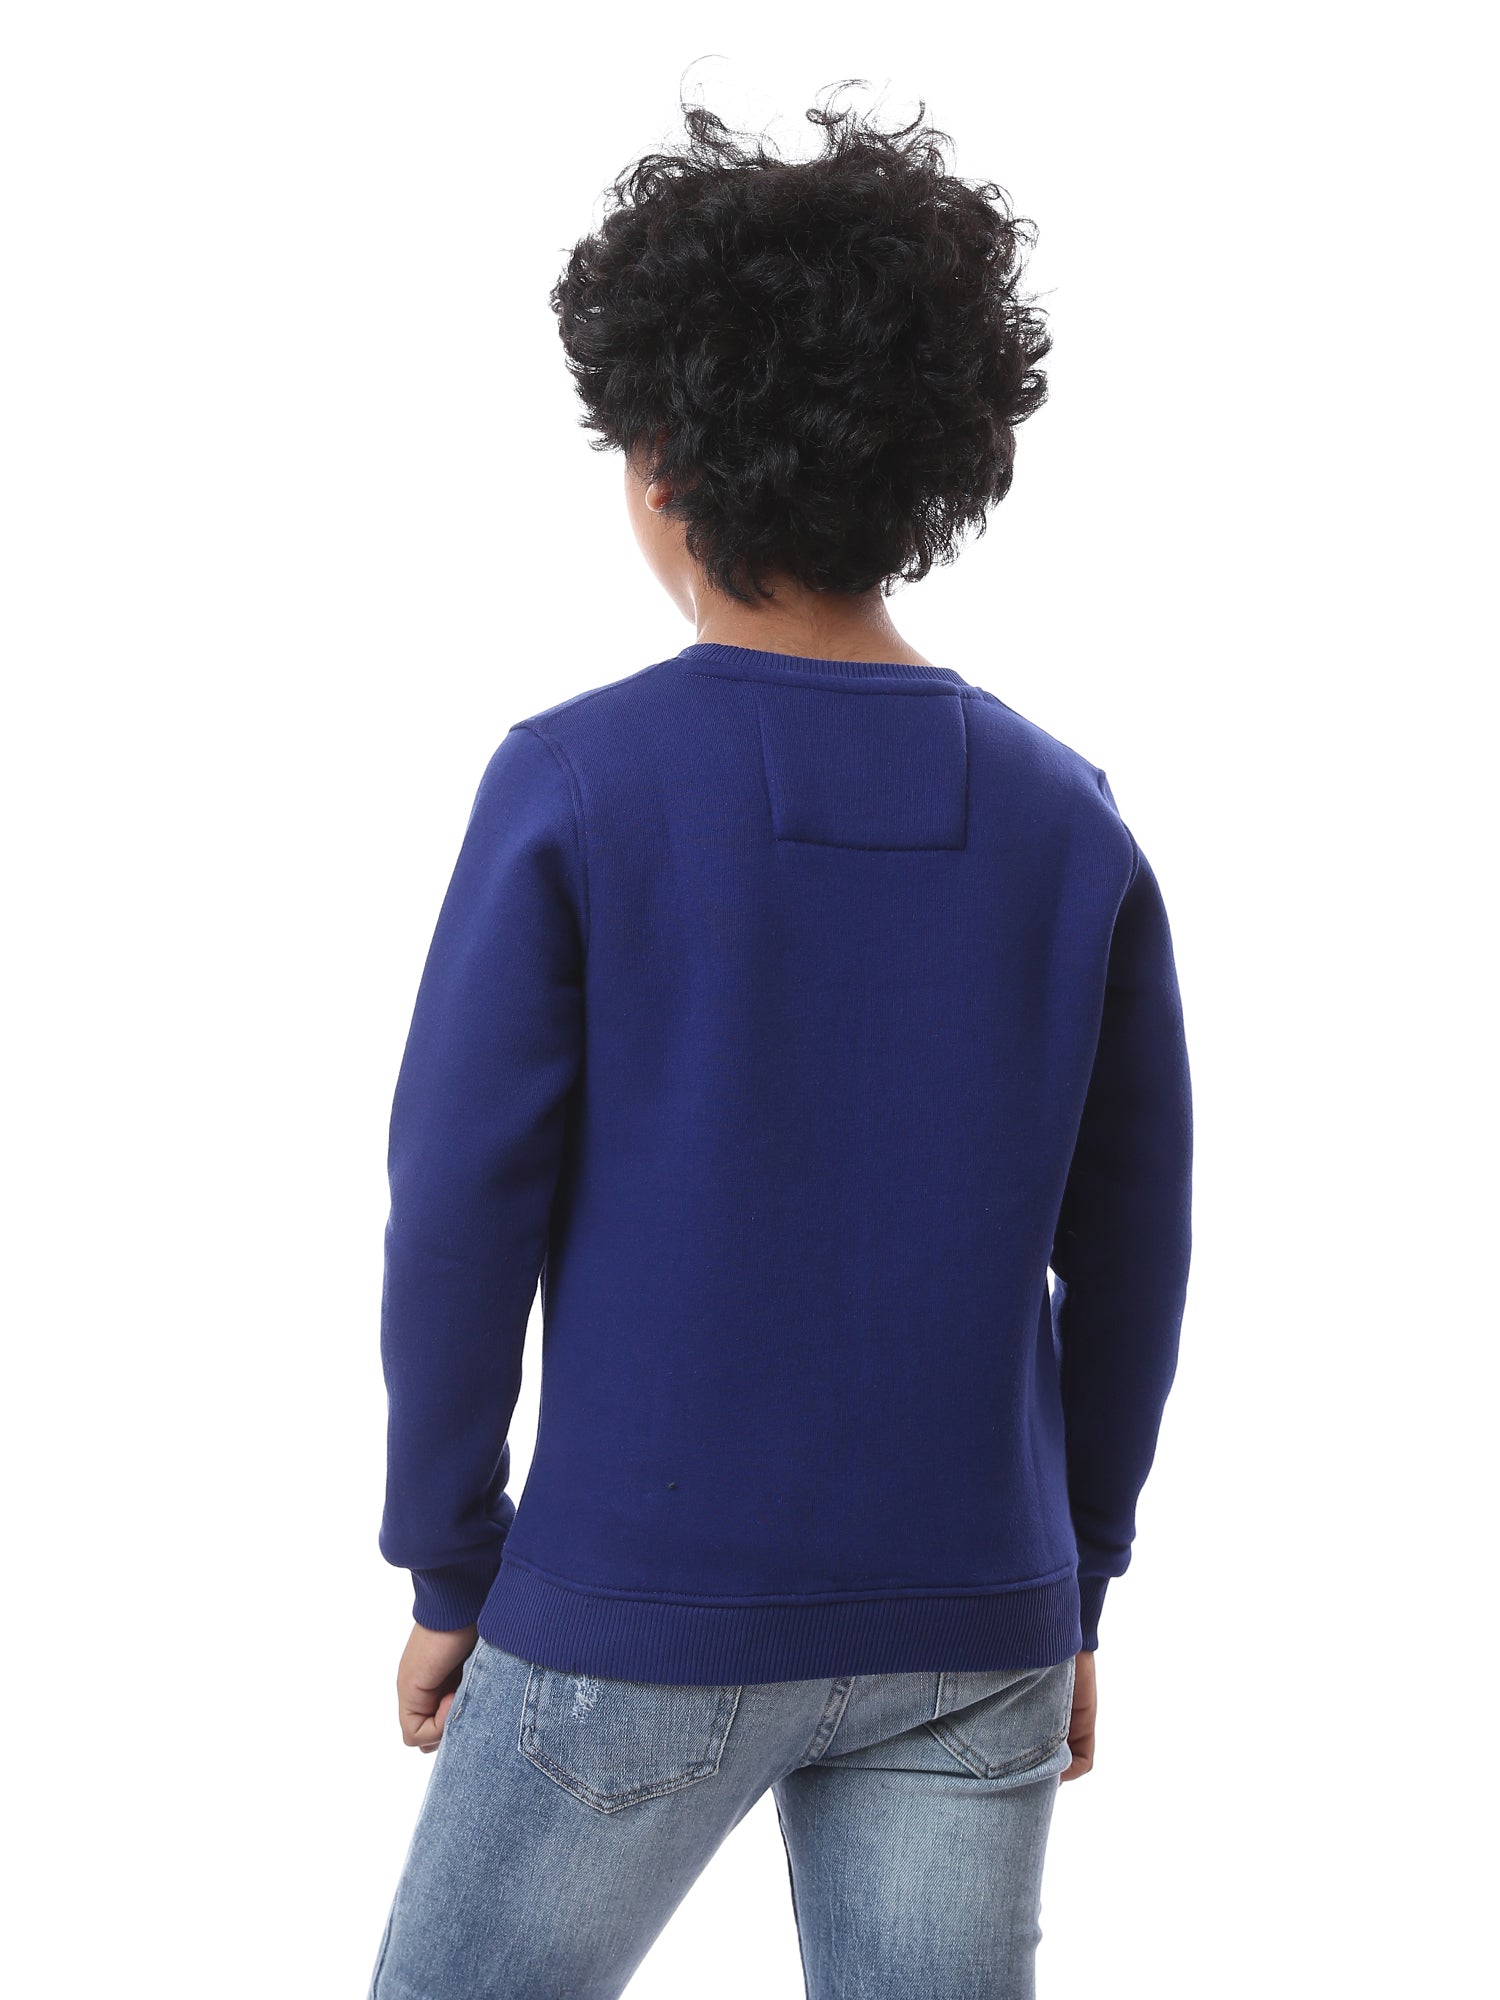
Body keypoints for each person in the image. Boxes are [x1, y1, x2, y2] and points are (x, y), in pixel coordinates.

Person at [367, 89, 1193, 2000]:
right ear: (930, 466)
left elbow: (458, 1209)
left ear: (660, 460)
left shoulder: (578, 784)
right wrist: (1076, 1572)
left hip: (633, 1611)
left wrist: (449, 1559)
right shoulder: (1068, 820)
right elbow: (1136, 1243)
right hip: (973, 1618)